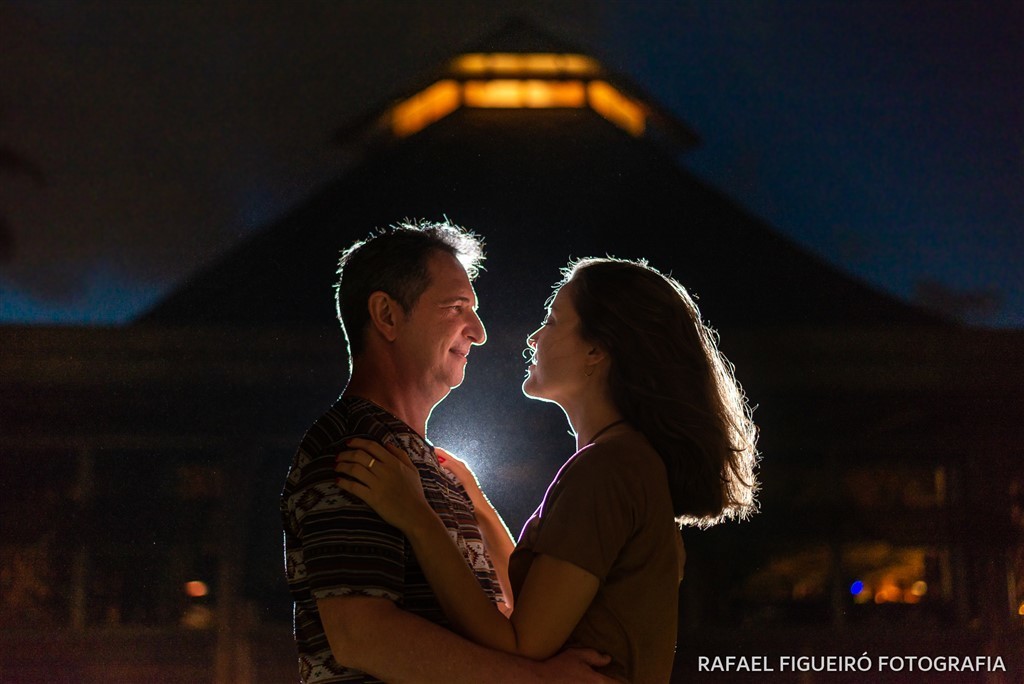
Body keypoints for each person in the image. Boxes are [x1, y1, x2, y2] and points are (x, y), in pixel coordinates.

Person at [336, 255, 760, 683]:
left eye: (553, 321)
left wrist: (417, 518)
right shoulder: (624, 461)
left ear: (596, 350)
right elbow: (539, 601)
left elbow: (520, 641)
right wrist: (478, 505)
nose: (534, 337)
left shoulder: (608, 469)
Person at [280, 220, 617, 683]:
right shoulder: (354, 447)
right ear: (387, 316)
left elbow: (505, 619)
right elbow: (362, 636)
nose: (478, 332)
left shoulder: (430, 467)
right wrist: (538, 681)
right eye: (456, 308)